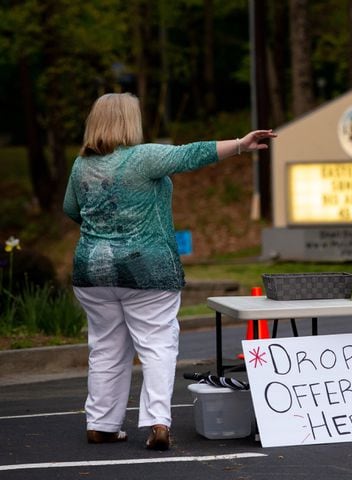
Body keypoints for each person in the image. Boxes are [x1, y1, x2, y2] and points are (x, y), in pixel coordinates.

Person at [63, 92, 276, 451]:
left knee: (105, 348)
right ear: (129, 121)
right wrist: (241, 144)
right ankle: (158, 422)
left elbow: (72, 210)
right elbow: (191, 154)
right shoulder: (143, 157)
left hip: (92, 272)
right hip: (148, 270)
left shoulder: (80, 167)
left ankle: (101, 424)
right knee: (157, 344)